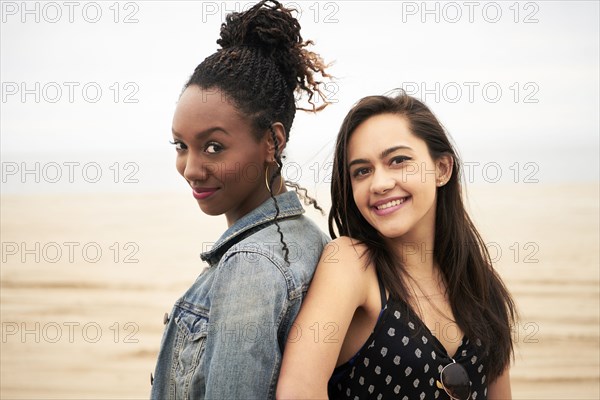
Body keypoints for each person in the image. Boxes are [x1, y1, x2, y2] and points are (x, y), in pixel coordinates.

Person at [277, 91, 517, 400]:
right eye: (362, 171)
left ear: (442, 169)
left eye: (398, 161)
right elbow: (299, 392)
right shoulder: (351, 264)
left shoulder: (480, 287)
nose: (379, 184)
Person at [150, 1, 332, 399]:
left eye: (214, 147)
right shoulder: (310, 238)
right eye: (181, 145)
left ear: (273, 141)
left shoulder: (251, 265)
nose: (191, 168)